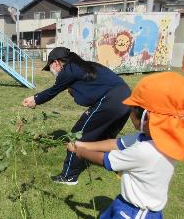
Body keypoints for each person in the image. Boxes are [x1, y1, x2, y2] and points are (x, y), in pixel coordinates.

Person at [60, 72, 184, 219]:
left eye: (133, 109)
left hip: (138, 214)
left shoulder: (147, 151)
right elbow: (116, 144)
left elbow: (106, 160)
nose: (129, 112)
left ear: (147, 117)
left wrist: (81, 153)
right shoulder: (152, 137)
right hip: (125, 202)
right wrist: (82, 144)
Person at [22, 47, 131, 185]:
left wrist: (35, 99)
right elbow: (92, 91)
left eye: (49, 68)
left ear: (56, 63)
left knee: (77, 135)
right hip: (127, 98)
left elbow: (53, 90)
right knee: (105, 138)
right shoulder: (84, 66)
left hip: (111, 100)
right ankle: (121, 166)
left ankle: (69, 176)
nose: (52, 72)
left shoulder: (68, 70)